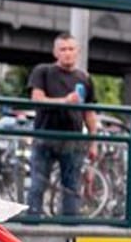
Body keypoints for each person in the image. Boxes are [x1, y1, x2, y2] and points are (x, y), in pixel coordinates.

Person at [25, 33, 97, 217]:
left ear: (78, 52)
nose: (67, 53)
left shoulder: (84, 78)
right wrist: (65, 101)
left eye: (71, 49)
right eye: (63, 49)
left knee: (71, 187)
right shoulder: (43, 71)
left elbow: (89, 113)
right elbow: (37, 99)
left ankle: (69, 230)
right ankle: (33, 225)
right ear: (55, 52)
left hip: (72, 139)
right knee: (37, 185)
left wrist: (93, 141)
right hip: (45, 136)